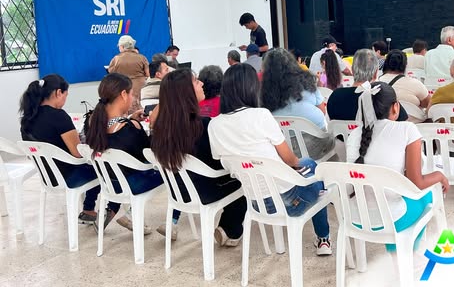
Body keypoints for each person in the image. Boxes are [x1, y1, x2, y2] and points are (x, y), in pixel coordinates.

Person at [208, 63, 333, 255]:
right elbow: (290, 159)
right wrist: (294, 168)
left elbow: (224, 161)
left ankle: (322, 236)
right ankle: (323, 239)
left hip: (256, 202)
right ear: (251, 88)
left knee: (307, 168)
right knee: (312, 168)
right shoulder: (261, 116)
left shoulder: (214, 125)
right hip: (289, 201)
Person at [346, 81, 449, 251]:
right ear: (396, 107)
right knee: (428, 195)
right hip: (392, 220)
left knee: (396, 197)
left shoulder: (354, 135)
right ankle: (405, 254)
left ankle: (400, 254)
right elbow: (416, 182)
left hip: (355, 219)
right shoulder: (407, 129)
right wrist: (439, 175)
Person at [151, 68, 246, 243]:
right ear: (186, 92)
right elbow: (219, 160)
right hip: (204, 191)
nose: (202, 83)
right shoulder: (202, 126)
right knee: (243, 181)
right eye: (196, 81)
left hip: (178, 191)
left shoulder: (160, 130)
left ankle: (227, 229)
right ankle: (230, 230)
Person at [19, 74, 109, 224]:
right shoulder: (59, 116)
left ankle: (88, 210)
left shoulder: (26, 119)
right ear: (58, 92)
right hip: (69, 176)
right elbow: (78, 153)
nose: (65, 100)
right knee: (102, 168)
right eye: (66, 95)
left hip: (48, 176)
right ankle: (90, 208)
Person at [85, 73, 163, 232]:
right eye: (132, 93)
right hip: (132, 184)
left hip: (109, 182)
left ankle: (112, 210)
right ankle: (131, 214)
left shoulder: (92, 123)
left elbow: (114, 131)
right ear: (123, 94)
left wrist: (130, 119)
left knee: (123, 170)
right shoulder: (130, 128)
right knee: (171, 171)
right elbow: (151, 154)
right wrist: (153, 126)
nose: (133, 98)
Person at [261, 48, 333, 159]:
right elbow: (322, 111)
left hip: (282, 150)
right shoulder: (308, 81)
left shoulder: (264, 92)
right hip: (315, 144)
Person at [327, 49, 408, 122]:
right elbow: (403, 121)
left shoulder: (335, 96)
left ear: (352, 70)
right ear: (375, 73)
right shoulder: (383, 96)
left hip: (343, 135)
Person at [379, 50, 430, 114]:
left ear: (386, 64)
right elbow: (428, 104)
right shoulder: (416, 84)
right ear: (405, 65)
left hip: (384, 119)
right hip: (412, 119)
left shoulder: (377, 82)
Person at [107, 35, 149, 113]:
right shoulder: (142, 58)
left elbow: (111, 73)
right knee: (138, 110)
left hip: (123, 88)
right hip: (140, 90)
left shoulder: (116, 59)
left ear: (122, 46)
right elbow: (148, 74)